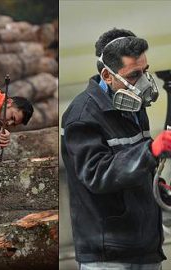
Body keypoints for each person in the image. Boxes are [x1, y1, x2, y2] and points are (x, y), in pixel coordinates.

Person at [61, 28, 171, 270]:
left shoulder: (134, 107)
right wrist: (151, 151)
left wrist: (155, 184)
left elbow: (132, 164)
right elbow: (97, 174)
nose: (142, 83)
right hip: (108, 256)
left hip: (145, 246)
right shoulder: (81, 117)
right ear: (107, 75)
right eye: (133, 75)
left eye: (145, 71)